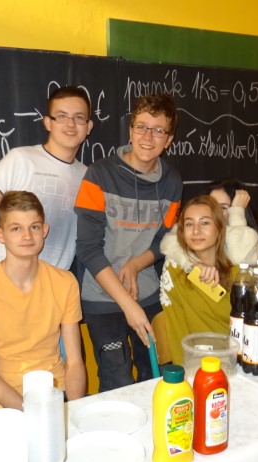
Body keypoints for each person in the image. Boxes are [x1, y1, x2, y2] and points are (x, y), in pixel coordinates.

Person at [74, 93, 183, 392]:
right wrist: (126, 303)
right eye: (142, 127)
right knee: (117, 381)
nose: (148, 137)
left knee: (155, 377)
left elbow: (165, 238)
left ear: (169, 139)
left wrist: (136, 264)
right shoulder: (99, 175)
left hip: (148, 295)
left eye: (158, 130)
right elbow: (87, 248)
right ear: (130, 131)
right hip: (102, 298)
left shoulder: (172, 181)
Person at [0, 86, 92, 306]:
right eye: (61, 116)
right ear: (48, 122)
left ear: (88, 126)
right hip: (1, 288)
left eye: (79, 117)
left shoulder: (89, 177)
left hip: (52, 293)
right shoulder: (20, 159)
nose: (70, 124)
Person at [0, 191, 86, 410]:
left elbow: (75, 362)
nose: (27, 236)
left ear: (44, 231)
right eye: (16, 228)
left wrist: (73, 410)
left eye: (34, 227)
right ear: (0, 235)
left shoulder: (65, 283)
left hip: (56, 395)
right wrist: (35, 415)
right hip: (8, 405)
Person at [159, 195, 236, 362]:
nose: (195, 231)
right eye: (189, 224)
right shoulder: (176, 270)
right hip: (193, 364)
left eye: (205, 223)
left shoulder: (239, 271)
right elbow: (177, 328)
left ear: (220, 227)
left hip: (235, 361)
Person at [160, 179, 258, 280]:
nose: (216, 212)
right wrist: (194, 264)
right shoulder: (198, 229)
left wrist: (237, 213)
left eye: (223, 207)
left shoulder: (257, 237)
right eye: (211, 206)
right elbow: (169, 243)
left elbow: (242, 256)